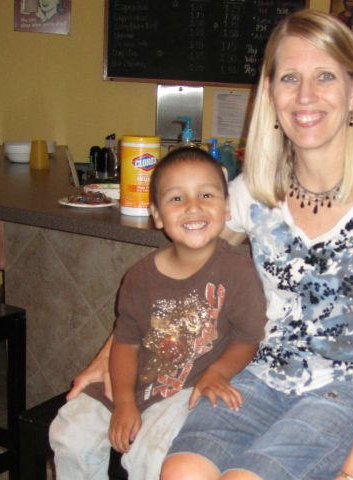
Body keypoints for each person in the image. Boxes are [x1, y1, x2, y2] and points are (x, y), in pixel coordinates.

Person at [161, 9, 353, 480]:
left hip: (349, 395)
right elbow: (179, 271)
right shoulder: (255, 191)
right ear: (269, 93)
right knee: (180, 474)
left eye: (325, 76)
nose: (305, 96)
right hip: (260, 378)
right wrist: (110, 359)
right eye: (290, 77)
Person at [49, 147, 268, 479]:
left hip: (185, 390)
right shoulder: (138, 276)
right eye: (177, 199)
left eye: (206, 195)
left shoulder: (239, 272)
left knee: (153, 457)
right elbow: (125, 343)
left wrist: (219, 372)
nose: (194, 207)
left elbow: (247, 338)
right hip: (132, 383)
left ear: (226, 207)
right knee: (68, 433)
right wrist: (123, 401)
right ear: (157, 214)